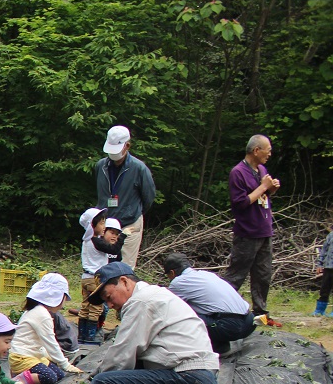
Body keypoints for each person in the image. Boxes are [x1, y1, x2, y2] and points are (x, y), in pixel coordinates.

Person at [87, 262, 220, 384]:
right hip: (199, 379)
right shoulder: (155, 295)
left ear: (124, 282)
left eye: (109, 297)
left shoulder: (141, 302)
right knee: (135, 368)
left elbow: (123, 353)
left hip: (189, 380)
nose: (110, 305)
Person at [224, 134, 282, 324]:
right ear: (256, 150)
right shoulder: (238, 172)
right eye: (268, 150)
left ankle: (261, 313)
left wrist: (270, 189)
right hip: (247, 233)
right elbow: (240, 203)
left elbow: (261, 196)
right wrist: (263, 186)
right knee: (236, 275)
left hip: (264, 230)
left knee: (263, 275)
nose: (270, 154)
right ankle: (221, 309)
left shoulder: (261, 169)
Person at [161, 253, 255, 354]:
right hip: (250, 321)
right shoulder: (206, 274)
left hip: (232, 327)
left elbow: (168, 307)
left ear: (172, 272)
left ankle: (216, 347)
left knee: (181, 316)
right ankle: (220, 343)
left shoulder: (178, 282)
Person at [93, 126, 155, 267]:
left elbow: (148, 198)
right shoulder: (100, 166)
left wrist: (131, 211)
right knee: (101, 266)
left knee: (125, 268)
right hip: (105, 226)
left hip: (129, 224)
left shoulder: (139, 169)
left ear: (127, 146)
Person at [9, 273, 84, 384]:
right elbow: (50, 342)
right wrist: (65, 364)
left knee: (59, 375)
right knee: (49, 377)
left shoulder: (38, 310)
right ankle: (14, 383)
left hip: (34, 355)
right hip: (22, 357)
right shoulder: (42, 314)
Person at [78, 208, 124, 344]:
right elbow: (113, 249)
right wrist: (123, 237)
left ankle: (82, 336)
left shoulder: (87, 241)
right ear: (93, 225)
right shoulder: (96, 241)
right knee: (95, 308)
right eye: (102, 223)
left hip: (85, 277)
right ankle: (90, 337)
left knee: (85, 306)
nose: (104, 227)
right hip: (95, 278)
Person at [316, 222, 333, 317]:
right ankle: (319, 310)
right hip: (328, 267)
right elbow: (324, 250)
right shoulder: (331, 235)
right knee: (324, 289)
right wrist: (320, 264)